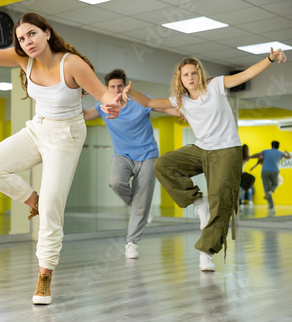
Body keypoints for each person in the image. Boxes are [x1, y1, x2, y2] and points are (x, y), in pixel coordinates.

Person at [0, 12, 124, 305]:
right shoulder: (23, 59)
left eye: (31, 34)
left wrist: (112, 105)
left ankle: (44, 276)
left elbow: (103, 95)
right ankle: (34, 201)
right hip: (38, 128)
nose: (26, 42)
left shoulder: (72, 64)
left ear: (47, 33)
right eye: (20, 38)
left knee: (54, 205)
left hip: (66, 135)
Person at [123, 47, 287, 272]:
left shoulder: (215, 86)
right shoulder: (180, 100)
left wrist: (270, 58)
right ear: (180, 79)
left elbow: (246, 75)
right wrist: (129, 93)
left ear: (200, 74)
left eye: (193, 73)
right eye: (185, 75)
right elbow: (151, 103)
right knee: (163, 164)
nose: (190, 77)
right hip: (202, 149)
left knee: (221, 201)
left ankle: (205, 253)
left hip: (227, 150)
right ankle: (198, 202)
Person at [83, 68, 179, 259]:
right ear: (107, 88)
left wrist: (187, 113)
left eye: (119, 86)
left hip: (148, 155)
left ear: (125, 86)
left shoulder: (139, 101)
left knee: (142, 200)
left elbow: (165, 108)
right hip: (122, 156)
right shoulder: (103, 106)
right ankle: (140, 206)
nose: (116, 89)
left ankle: (131, 243)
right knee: (116, 182)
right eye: (112, 87)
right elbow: (84, 115)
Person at [250, 141, 291, 215]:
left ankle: (271, 206)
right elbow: (289, 157)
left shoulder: (265, 151)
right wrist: (287, 153)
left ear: (271, 145)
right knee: (275, 184)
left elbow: (257, 155)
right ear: (278, 146)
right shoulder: (280, 152)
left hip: (264, 171)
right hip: (274, 171)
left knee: (266, 189)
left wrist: (250, 156)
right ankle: (270, 192)